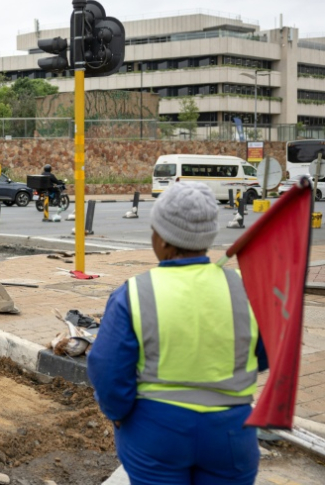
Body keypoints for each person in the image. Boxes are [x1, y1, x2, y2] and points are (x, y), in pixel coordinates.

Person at [87, 181, 267, 485]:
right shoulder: (247, 288)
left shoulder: (134, 294)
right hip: (230, 432)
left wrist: (117, 413)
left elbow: (107, 368)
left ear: (165, 241)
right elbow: (264, 354)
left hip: (156, 433)